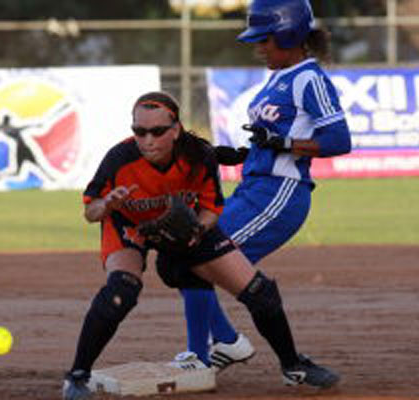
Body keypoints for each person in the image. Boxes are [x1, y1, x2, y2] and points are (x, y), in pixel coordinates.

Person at [62, 91, 340, 400]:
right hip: (130, 226)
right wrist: (107, 205)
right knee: (121, 291)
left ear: (176, 129)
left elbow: (211, 208)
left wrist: (197, 231)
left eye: (157, 131)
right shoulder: (119, 159)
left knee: (261, 292)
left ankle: (292, 366)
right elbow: (90, 211)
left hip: (185, 226)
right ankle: (77, 376)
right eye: (139, 131)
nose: (147, 140)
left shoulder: (199, 156)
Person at [160, 0, 352, 377]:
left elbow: (339, 139)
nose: (259, 47)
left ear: (289, 34)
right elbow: (277, 135)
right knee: (185, 254)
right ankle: (218, 346)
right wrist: (241, 154)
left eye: (265, 39)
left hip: (280, 194)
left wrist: (281, 145)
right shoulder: (280, 76)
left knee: (197, 257)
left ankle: (215, 353)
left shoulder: (309, 78)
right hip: (254, 189)